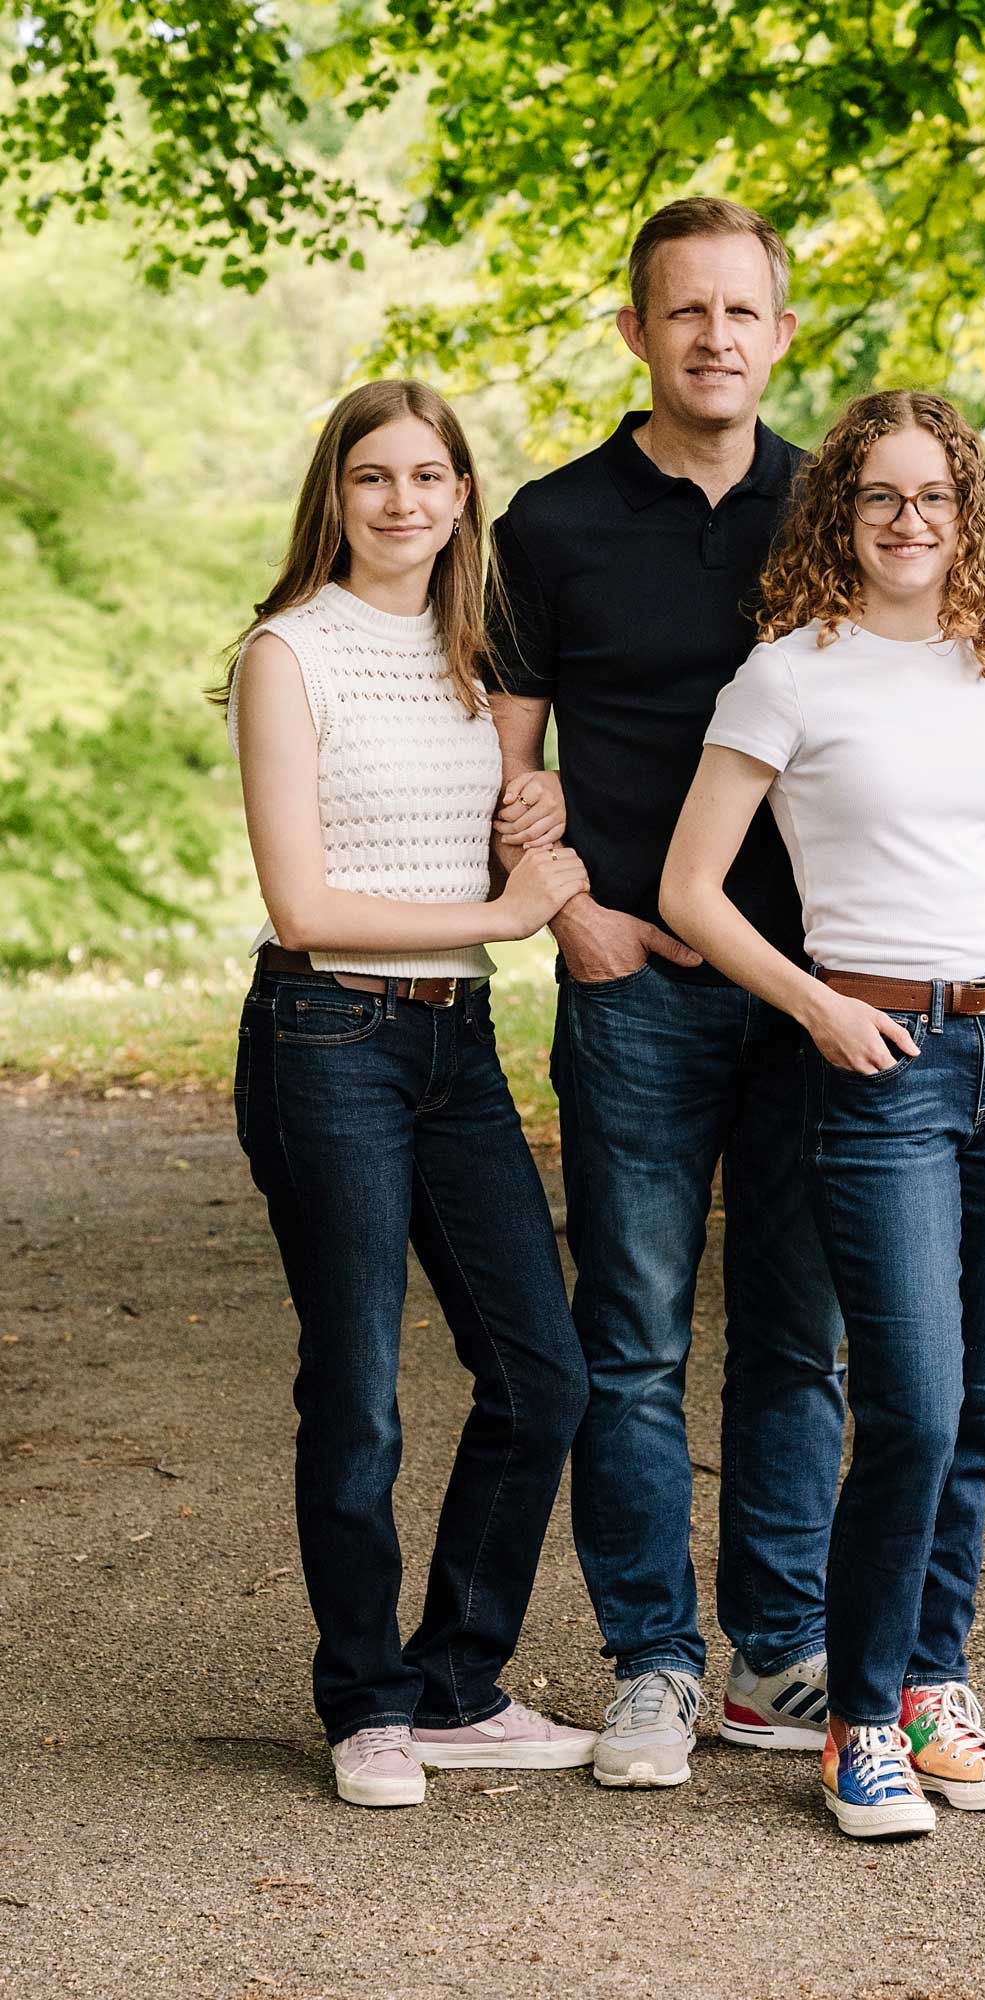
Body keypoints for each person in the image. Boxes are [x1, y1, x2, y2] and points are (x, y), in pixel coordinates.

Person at [661, 389, 985, 1838]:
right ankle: (855, 1723)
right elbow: (685, 892)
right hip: (878, 1069)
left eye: (933, 497)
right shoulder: (789, 677)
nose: (908, 522)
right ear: (839, 516)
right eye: (879, 499)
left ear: (964, 513)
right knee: (910, 1412)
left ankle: (932, 1689)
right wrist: (812, 1005)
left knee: (976, 1411)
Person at [485, 199, 848, 1787]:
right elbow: (495, 767)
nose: (714, 337)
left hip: (819, 991)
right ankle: (650, 1664)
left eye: (741, 312)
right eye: (681, 311)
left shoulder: (836, 516)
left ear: (780, 332)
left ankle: (774, 1660)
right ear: (632, 333)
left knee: (799, 1337)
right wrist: (576, 919)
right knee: (628, 1339)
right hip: (632, 990)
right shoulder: (550, 527)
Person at [219, 378, 597, 1807]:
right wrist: (504, 913)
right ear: (336, 495)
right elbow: (301, 900)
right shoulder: (285, 654)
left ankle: (453, 1682)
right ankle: (365, 1704)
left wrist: (534, 809)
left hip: (455, 1046)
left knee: (542, 1373)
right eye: (372, 477)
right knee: (359, 1388)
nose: (402, 502)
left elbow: (496, 808)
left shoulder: (467, 658)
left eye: (428, 477)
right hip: (327, 1041)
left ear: (460, 499)